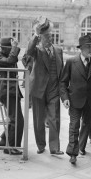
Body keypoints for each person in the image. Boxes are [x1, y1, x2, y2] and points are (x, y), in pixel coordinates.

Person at [60, 34, 91, 164]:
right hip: (74, 100)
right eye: (88, 47)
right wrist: (65, 98)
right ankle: (73, 153)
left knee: (86, 125)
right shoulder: (72, 62)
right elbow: (62, 82)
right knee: (74, 126)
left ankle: (81, 147)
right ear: (81, 48)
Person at [27, 16, 64, 155]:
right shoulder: (36, 50)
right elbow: (28, 51)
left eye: (51, 35)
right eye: (46, 36)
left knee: (55, 119)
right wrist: (36, 33)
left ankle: (55, 148)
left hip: (54, 90)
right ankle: (41, 145)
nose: (50, 38)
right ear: (41, 37)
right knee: (38, 120)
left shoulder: (58, 50)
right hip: (38, 89)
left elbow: (62, 72)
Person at [0, 37, 24, 155]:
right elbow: (10, 61)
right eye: (10, 48)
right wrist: (15, 48)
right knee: (17, 120)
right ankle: (11, 146)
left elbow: (12, 59)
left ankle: (4, 141)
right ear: (4, 48)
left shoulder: (5, 55)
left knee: (14, 118)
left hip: (10, 91)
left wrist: (14, 49)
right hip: (7, 92)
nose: (12, 51)